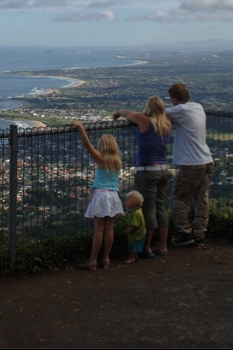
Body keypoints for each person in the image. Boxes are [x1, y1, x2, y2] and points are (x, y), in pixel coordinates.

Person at [113, 96, 172, 257]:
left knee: (147, 209)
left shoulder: (143, 120)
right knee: (161, 208)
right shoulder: (167, 123)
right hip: (164, 170)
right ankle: (163, 245)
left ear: (149, 107)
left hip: (148, 171)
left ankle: (146, 247)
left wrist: (117, 113)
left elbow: (127, 113)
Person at [164, 83, 214, 247]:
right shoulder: (198, 107)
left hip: (191, 163)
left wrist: (125, 113)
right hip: (206, 160)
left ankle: (184, 233)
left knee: (178, 198)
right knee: (202, 199)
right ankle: (199, 234)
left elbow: (154, 114)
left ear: (174, 98)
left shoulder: (180, 110)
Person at [72, 120, 124, 270]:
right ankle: (106, 259)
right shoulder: (117, 162)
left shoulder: (102, 160)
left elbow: (87, 145)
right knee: (110, 229)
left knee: (99, 229)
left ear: (103, 147)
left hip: (101, 196)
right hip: (113, 196)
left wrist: (81, 127)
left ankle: (93, 260)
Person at [122, 190, 147, 264]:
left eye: (128, 201)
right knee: (135, 246)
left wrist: (128, 231)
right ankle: (135, 255)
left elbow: (135, 225)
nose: (126, 202)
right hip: (139, 234)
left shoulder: (136, 213)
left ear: (134, 204)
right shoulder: (135, 210)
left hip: (136, 235)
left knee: (133, 246)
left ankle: (132, 257)